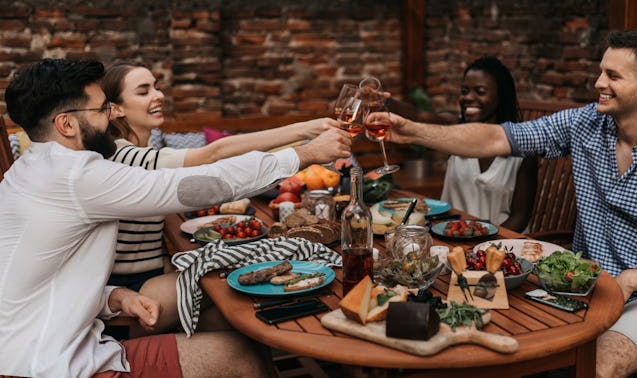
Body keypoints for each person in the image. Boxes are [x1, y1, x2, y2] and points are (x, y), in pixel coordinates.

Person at [371, 30, 637, 377]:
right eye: (601, 72)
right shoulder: (585, 124)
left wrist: (634, 279)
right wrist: (413, 131)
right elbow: (499, 138)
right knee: (496, 333)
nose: (599, 83)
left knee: (598, 366)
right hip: (584, 285)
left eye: (613, 76)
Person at [0, 58, 351, 378]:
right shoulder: (76, 174)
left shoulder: (33, 170)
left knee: (239, 335)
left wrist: (114, 297)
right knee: (242, 356)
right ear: (66, 124)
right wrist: (304, 154)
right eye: (101, 109)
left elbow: (40, 279)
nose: (109, 117)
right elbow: (195, 187)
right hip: (48, 367)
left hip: (49, 350)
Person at [101, 61, 338, 333]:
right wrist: (305, 132)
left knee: (238, 322)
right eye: (143, 91)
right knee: (228, 284)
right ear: (115, 109)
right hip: (130, 290)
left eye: (156, 87)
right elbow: (214, 153)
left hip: (154, 272)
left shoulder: (142, 150)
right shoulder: (124, 154)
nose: (158, 95)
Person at [390, 57, 536, 231]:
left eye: (480, 91)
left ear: (501, 97)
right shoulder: (454, 131)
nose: (468, 98)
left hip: (500, 245)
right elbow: (419, 116)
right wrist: (385, 102)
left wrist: (479, 239)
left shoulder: (523, 153)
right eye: (464, 91)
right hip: (451, 237)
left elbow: (519, 220)